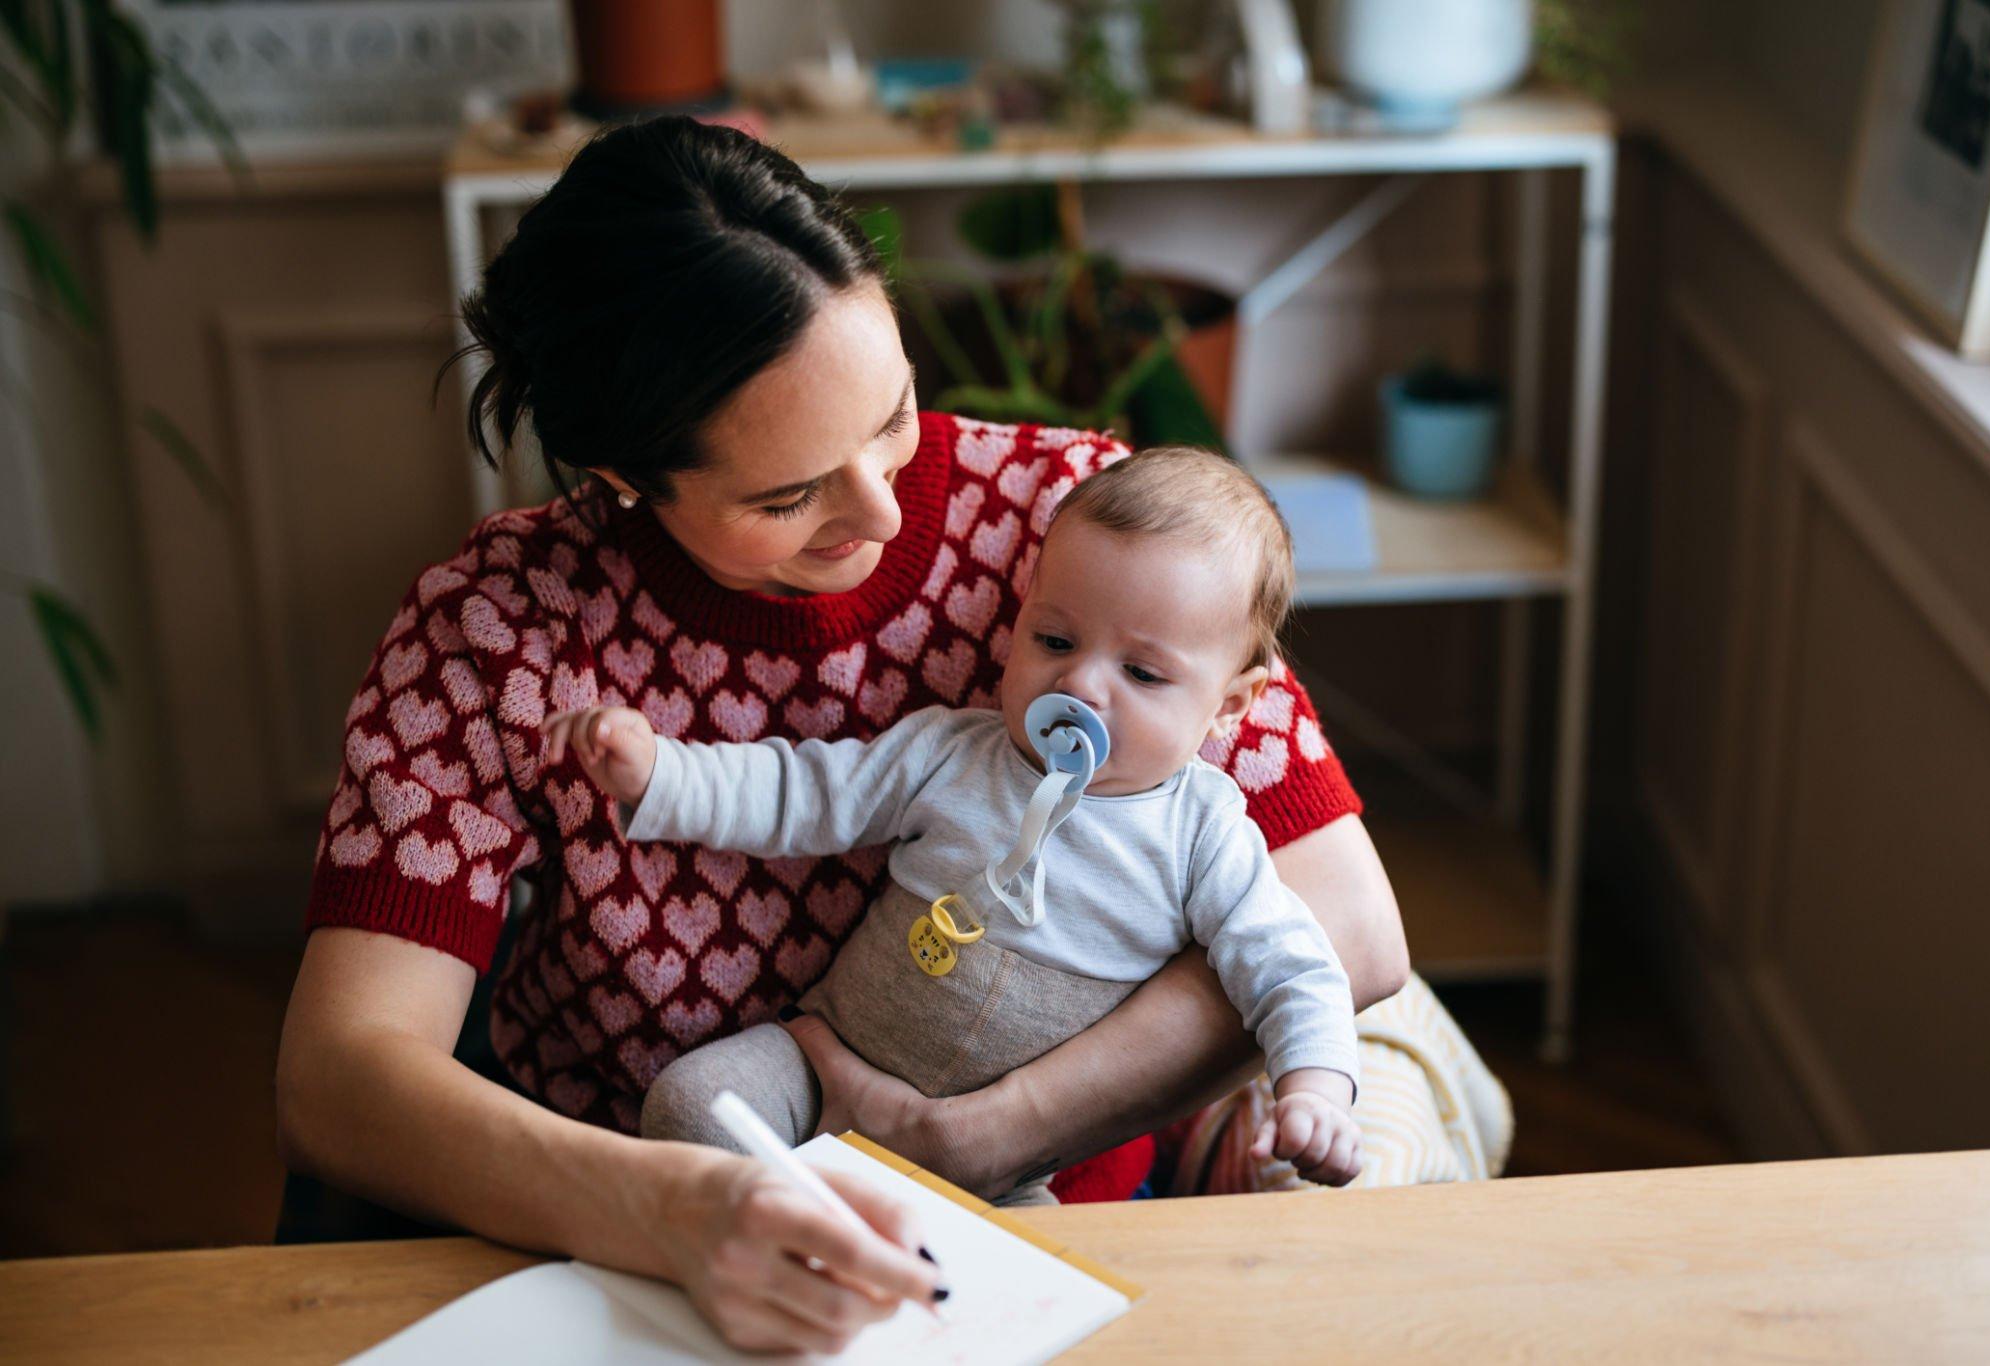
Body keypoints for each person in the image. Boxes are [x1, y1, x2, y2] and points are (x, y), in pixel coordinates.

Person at [275, 115, 1408, 1357]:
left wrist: (995, 1131)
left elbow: (1345, 925)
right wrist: (676, 1208)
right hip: (653, 1233)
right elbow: (340, 1079)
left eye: (891, 412)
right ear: (619, 477)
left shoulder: (1076, 529)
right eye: (785, 493)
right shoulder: (497, 633)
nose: (877, 507)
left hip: (1044, 1238)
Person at [545, 448, 1367, 1200]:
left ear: (1230, 704)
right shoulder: (955, 752)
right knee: (692, 1106)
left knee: (1040, 1272)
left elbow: (1292, 966)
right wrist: (662, 773)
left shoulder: (1204, 834)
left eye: (1143, 672)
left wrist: (1318, 1085)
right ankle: (795, 1238)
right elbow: (802, 790)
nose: (1080, 684)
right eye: (1053, 638)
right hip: (825, 1066)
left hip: (1006, 1164)